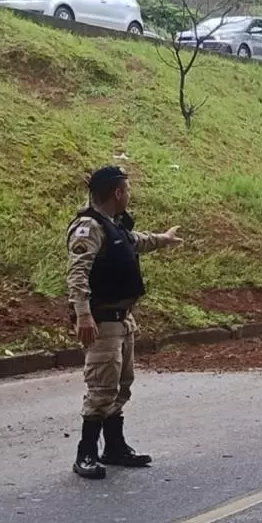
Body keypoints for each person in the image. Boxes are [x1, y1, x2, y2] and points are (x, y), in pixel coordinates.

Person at [66, 165, 184, 480]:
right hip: (101, 321)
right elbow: (77, 272)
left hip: (122, 320)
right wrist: (83, 314)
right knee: (102, 387)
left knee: (122, 385)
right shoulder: (88, 227)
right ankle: (86, 453)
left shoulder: (111, 226)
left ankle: (114, 447)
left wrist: (163, 239)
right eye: (127, 190)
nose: (130, 195)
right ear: (117, 193)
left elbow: (136, 241)